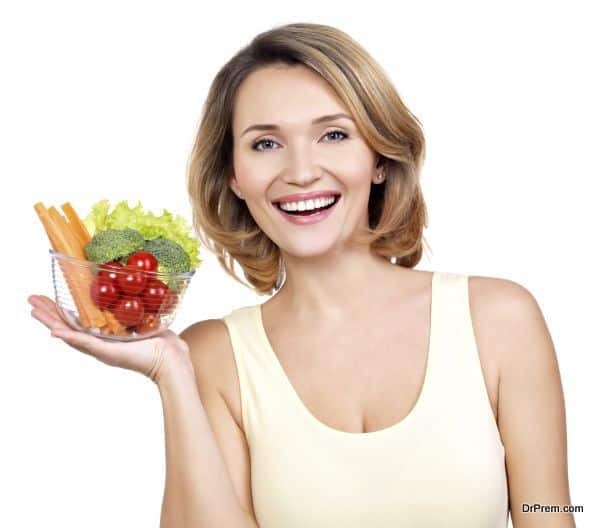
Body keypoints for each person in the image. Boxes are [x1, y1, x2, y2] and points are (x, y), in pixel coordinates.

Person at [28, 22, 575, 528]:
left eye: (333, 135)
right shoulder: (213, 356)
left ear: (379, 158)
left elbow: (550, 509)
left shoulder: (499, 320)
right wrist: (170, 374)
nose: (301, 170)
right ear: (236, 177)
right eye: (266, 144)